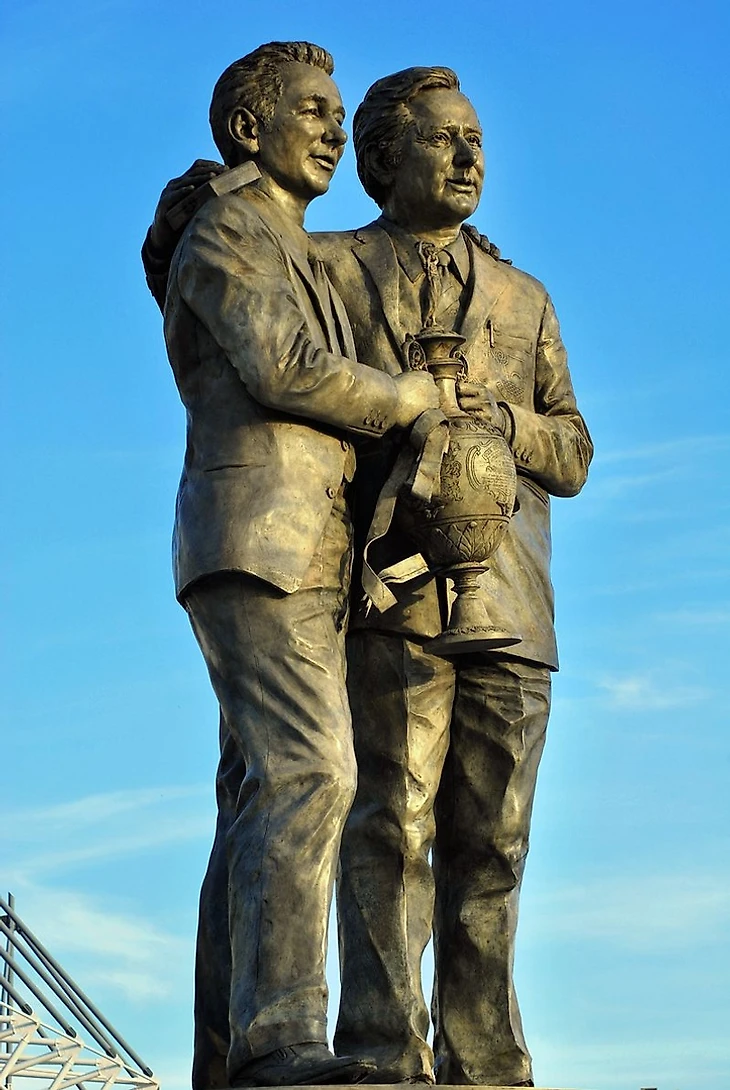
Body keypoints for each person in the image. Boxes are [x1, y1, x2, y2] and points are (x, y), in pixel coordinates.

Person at [145, 64, 592, 1090]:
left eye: (477, 138)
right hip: (374, 590)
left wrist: (499, 423)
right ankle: (367, 1049)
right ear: (387, 162)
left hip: (506, 601)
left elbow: (572, 449)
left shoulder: (522, 295)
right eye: (442, 139)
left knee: (492, 841)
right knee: (368, 818)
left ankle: (483, 1060)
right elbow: (279, 363)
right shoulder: (316, 261)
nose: (470, 156)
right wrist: (412, 403)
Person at [144, 42, 439, 1089]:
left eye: (337, 111)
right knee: (314, 772)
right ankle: (278, 1040)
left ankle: (231, 1054)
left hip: (298, 547)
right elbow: (284, 366)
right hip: (255, 540)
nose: (329, 129)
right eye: (311, 110)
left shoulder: (286, 238)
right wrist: (401, 399)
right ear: (245, 129)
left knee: (256, 796)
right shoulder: (231, 229)